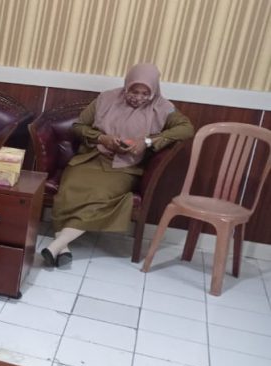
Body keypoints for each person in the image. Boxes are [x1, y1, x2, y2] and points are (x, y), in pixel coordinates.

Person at [42, 63, 195, 267]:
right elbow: (78, 127)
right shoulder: (106, 98)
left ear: (154, 90)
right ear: (127, 85)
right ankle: (63, 247)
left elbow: (186, 128)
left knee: (101, 196)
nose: (138, 97)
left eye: (145, 93)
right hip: (91, 159)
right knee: (69, 187)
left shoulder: (163, 108)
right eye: (134, 91)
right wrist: (102, 138)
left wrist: (147, 141)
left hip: (125, 167)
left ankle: (56, 245)